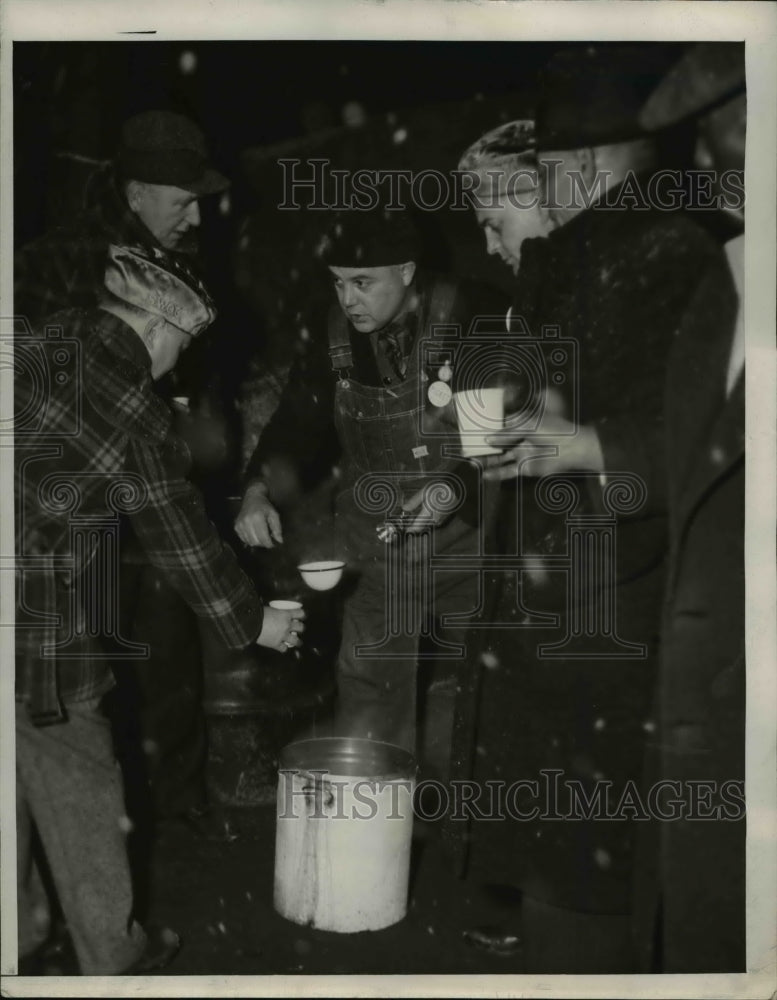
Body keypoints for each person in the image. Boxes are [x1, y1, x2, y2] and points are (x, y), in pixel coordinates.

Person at [455, 46, 733, 972]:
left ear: (577, 165)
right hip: (563, 589)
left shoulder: (667, 245)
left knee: (585, 868)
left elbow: (702, 439)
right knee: (561, 856)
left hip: (606, 603)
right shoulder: (587, 247)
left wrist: (586, 446)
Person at [14, 244, 304, 975]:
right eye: (176, 348)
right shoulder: (130, 400)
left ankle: (17, 934)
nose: (174, 366)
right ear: (153, 329)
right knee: (78, 774)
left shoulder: (37, 338)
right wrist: (254, 620)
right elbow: (178, 536)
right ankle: (112, 956)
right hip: (30, 616)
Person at [15, 109, 237, 838]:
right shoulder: (52, 262)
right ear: (138, 191)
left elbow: (197, 379)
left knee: (163, 642)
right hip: (64, 505)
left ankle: (166, 803)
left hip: (148, 484)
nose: (196, 216)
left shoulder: (178, 268)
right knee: (75, 672)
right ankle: (96, 830)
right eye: (183, 200)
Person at [235, 207, 505, 753]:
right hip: (378, 547)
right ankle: (380, 829)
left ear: (406, 271)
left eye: (362, 283)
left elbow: (495, 442)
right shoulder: (335, 333)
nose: (347, 300)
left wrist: (453, 487)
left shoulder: (472, 312)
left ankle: (457, 824)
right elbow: (297, 422)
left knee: (473, 695)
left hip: (472, 545)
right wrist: (258, 489)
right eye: (338, 283)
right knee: (370, 696)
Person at [630, 42, 746, 973]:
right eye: (712, 141)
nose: (712, 166)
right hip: (704, 732)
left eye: (734, 127)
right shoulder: (722, 290)